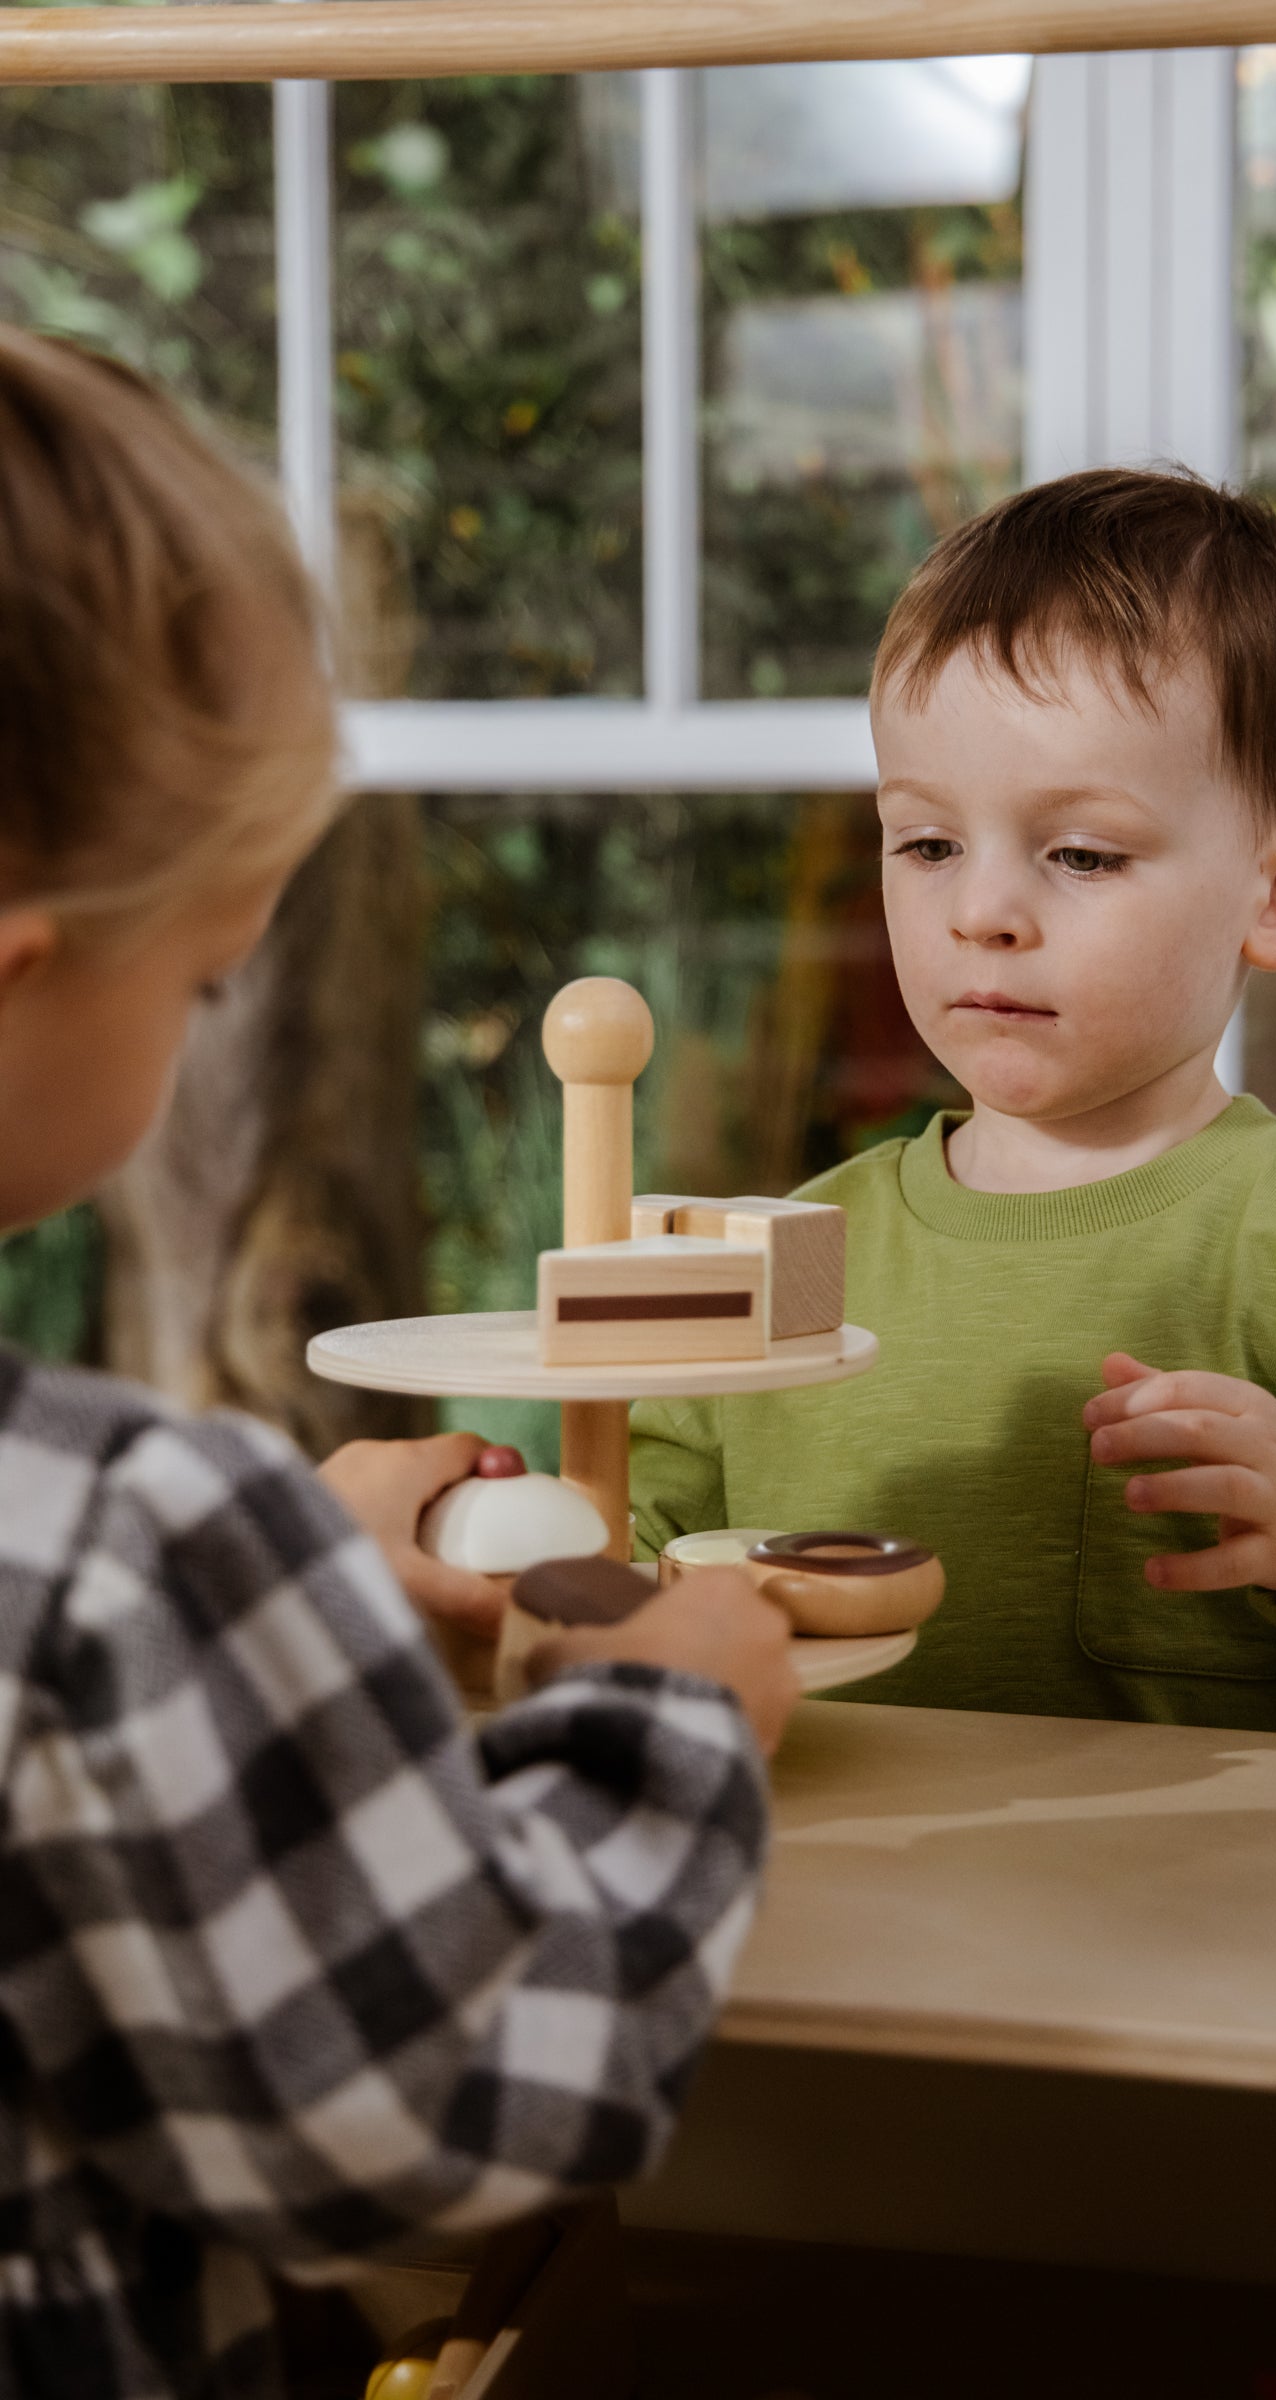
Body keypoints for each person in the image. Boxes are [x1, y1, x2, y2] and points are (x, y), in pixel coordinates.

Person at [0, 327, 795, 2398]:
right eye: (204, 977)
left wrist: (277, 1609)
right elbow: (435, 2092)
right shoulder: (115, 1544)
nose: (211, 1019)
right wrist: (665, 1722)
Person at [631, 468, 1276, 1749]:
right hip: (827, 1879)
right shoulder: (794, 1256)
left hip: (1209, 1886)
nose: (981, 912)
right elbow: (613, 1571)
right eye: (927, 844)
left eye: (1080, 853)